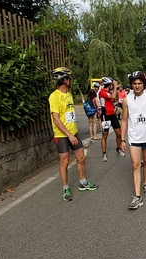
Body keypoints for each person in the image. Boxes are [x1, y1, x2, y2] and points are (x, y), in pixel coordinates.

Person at [49, 67, 98, 202]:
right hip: (62, 135)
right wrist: (69, 135)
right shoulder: (54, 96)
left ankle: (83, 182)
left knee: (81, 158)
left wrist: (73, 133)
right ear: (64, 80)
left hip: (73, 132)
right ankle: (65, 189)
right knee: (64, 162)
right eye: (69, 79)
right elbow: (56, 119)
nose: (71, 81)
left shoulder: (69, 95)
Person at [120, 71, 146, 210]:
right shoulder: (127, 99)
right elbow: (124, 120)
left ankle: (145, 184)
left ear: (143, 84)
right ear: (131, 85)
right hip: (134, 137)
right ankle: (137, 197)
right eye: (134, 84)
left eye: (139, 83)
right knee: (136, 165)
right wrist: (122, 139)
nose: (137, 86)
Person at [98, 77, 123, 161]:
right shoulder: (102, 92)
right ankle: (104, 153)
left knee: (119, 134)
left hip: (113, 114)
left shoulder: (109, 92)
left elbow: (115, 97)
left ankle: (118, 149)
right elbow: (112, 97)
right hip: (106, 115)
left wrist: (115, 88)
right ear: (109, 85)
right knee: (105, 135)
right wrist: (115, 87)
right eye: (112, 85)